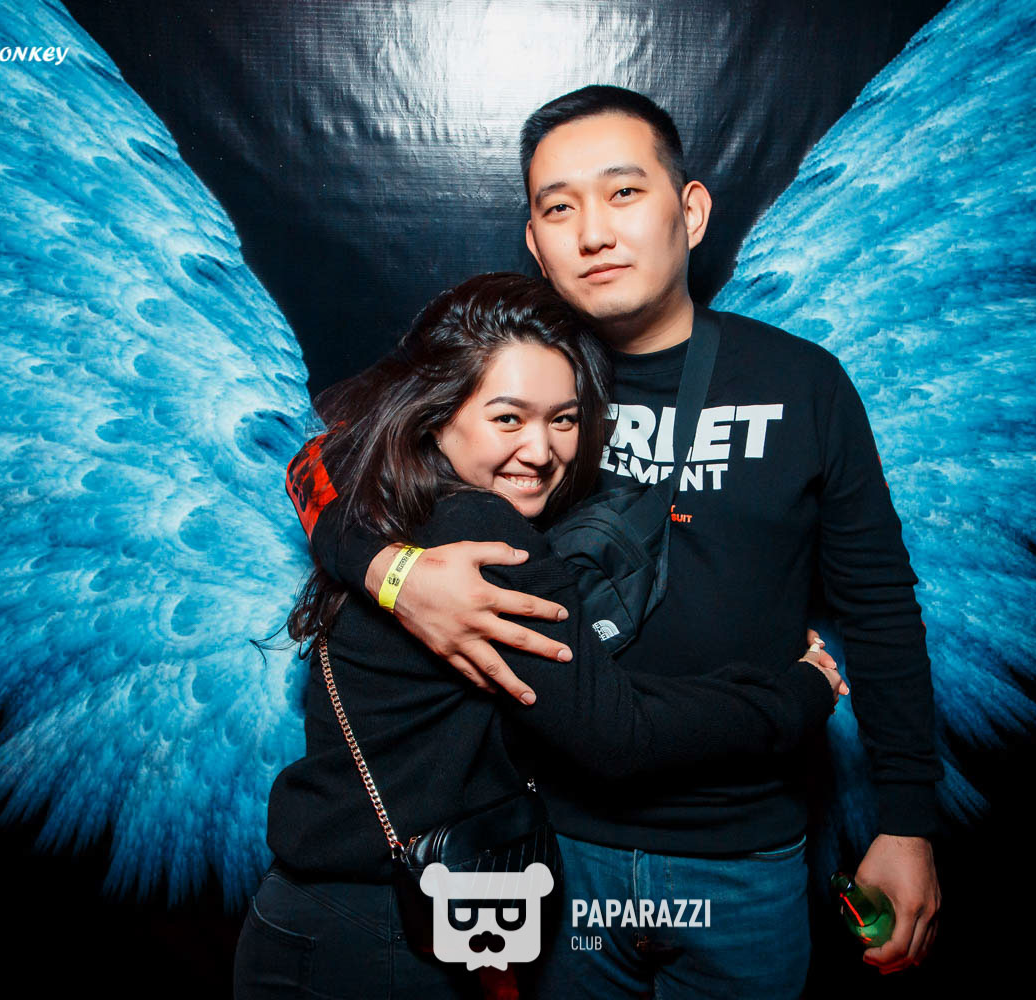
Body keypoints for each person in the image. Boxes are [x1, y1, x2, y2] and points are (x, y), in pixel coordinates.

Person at [302, 87, 943, 997]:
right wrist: (394, 573)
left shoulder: (803, 382)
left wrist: (908, 820)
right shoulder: (511, 369)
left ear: (691, 211)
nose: (594, 232)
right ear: (535, 243)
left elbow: (878, 604)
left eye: (624, 193)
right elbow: (322, 464)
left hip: (746, 853)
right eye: (560, 207)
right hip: (557, 850)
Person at [234, 273, 845, 999]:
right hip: (375, 936)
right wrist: (797, 693)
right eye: (507, 418)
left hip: (321, 918)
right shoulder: (486, 529)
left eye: (564, 419)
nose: (540, 449)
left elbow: (324, 453)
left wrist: (386, 569)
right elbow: (619, 736)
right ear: (436, 415)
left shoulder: (389, 489)